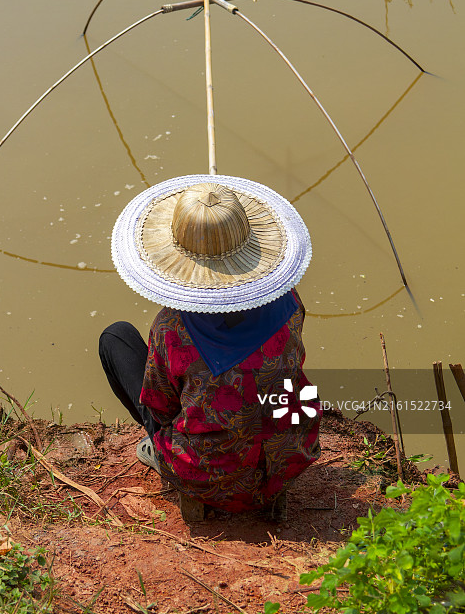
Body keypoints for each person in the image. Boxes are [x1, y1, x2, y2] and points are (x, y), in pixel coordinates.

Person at [99, 175, 321, 515]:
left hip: (207, 477)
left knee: (116, 338)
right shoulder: (290, 302)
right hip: (289, 457)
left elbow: (161, 407)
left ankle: (163, 455)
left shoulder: (171, 329)